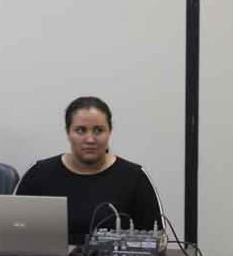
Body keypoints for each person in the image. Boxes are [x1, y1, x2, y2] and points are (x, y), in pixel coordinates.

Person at [16, 96, 162, 244]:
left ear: (109, 132)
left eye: (98, 130)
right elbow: (14, 231)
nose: (90, 139)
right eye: (80, 130)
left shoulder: (134, 178)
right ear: (68, 132)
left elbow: (155, 240)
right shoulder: (39, 175)